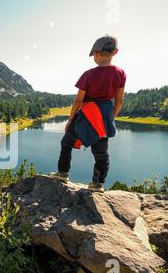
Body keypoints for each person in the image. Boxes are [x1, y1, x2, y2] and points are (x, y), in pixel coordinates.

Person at [51, 35, 127, 192]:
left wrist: (70, 120)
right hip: (105, 115)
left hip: (86, 115)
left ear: (96, 54)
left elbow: (78, 101)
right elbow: (119, 101)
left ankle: (62, 173)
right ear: (115, 52)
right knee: (101, 153)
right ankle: (97, 184)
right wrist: (110, 119)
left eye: (94, 55)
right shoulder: (120, 73)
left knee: (67, 142)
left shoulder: (88, 74)